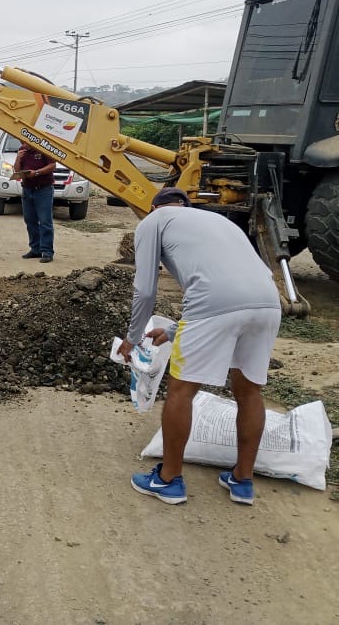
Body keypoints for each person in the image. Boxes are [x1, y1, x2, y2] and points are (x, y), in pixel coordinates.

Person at [119, 187, 281, 506]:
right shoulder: (217, 221)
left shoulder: (154, 221)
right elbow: (229, 283)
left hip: (213, 305)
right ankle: (242, 480)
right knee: (250, 391)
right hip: (267, 303)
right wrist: (173, 330)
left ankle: (168, 480)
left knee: (181, 391)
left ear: (154, 207)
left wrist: (132, 337)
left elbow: (146, 290)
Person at [14, 143, 56, 263]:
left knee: (45, 221)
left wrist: (36, 173)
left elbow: (52, 165)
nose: (23, 143)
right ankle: (35, 249)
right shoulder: (22, 150)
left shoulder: (44, 148)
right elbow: (17, 170)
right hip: (27, 189)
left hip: (43, 189)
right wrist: (18, 158)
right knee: (30, 220)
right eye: (21, 141)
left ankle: (47, 251)